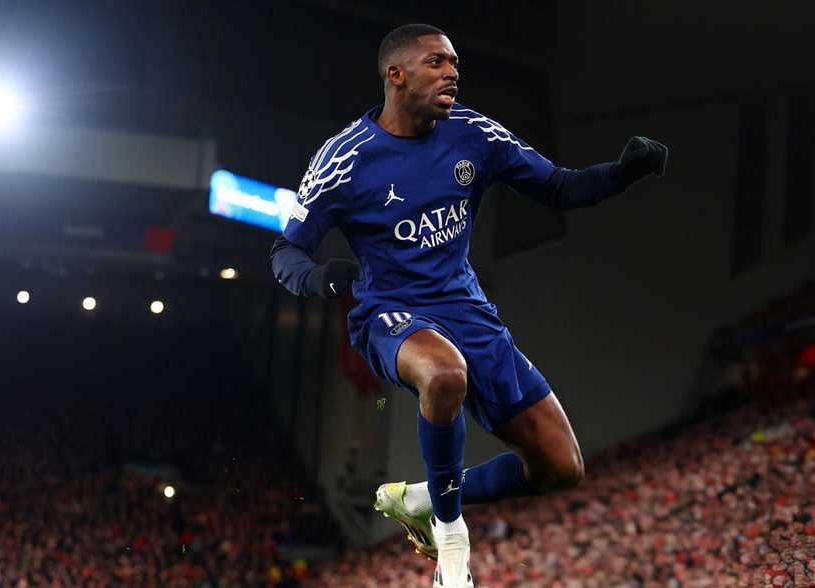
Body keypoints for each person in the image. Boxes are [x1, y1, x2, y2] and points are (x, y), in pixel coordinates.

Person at [269, 23, 667, 588]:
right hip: (391, 315)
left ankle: (422, 497)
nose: (452, 72)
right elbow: (286, 251)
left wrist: (623, 173)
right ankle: (451, 538)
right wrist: (318, 279)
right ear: (396, 74)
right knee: (444, 373)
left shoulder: (474, 132)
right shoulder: (345, 158)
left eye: (454, 62)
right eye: (436, 62)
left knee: (560, 467)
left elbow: (559, 187)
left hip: (469, 312)